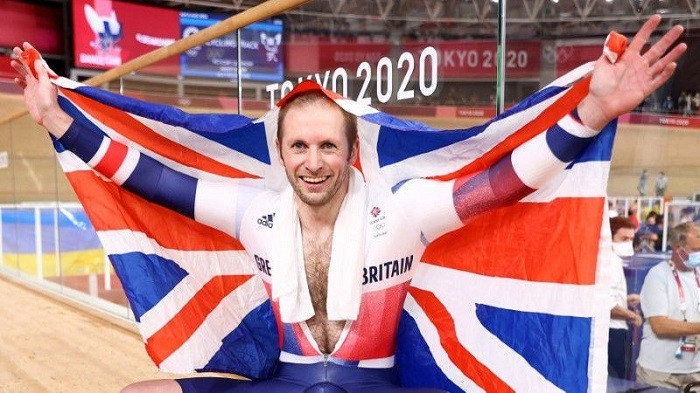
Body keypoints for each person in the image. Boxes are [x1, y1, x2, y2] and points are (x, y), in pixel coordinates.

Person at [11, 15, 687, 393]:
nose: (313, 160)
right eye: (300, 146)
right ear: (281, 151)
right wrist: (56, 120)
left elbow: (509, 180)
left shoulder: (403, 210)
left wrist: (595, 107)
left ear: (350, 150)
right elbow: (147, 178)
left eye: (327, 147)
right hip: (285, 382)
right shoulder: (254, 210)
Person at [636, 222, 700, 390]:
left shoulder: (698, 274)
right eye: (696, 250)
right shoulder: (658, 275)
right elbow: (660, 326)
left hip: (695, 371)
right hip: (660, 373)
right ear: (678, 249)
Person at [607, 217, 642, 379]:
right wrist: (633, 316)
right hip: (613, 331)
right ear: (610, 236)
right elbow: (609, 306)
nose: (628, 243)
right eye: (623, 239)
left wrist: (625, 300)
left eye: (631, 239)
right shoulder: (611, 262)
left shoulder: (611, 260)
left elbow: (608, 295)